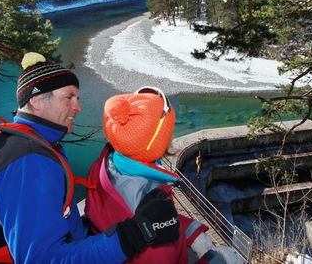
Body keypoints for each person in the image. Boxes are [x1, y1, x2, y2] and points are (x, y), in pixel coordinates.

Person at [0, 53, 180, 263]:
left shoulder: (32, 143)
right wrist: (135, 233)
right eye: (69, 97)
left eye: (78, 98)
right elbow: (42, 259)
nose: (78, 107)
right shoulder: (28, 161)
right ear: (37, 100)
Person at [85, 86, 243, 263]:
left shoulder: (107, 164)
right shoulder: (146, 198)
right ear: (158, 142)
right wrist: (219, 259)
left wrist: (193, 231)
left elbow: (162, 220)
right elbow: (157, 237)